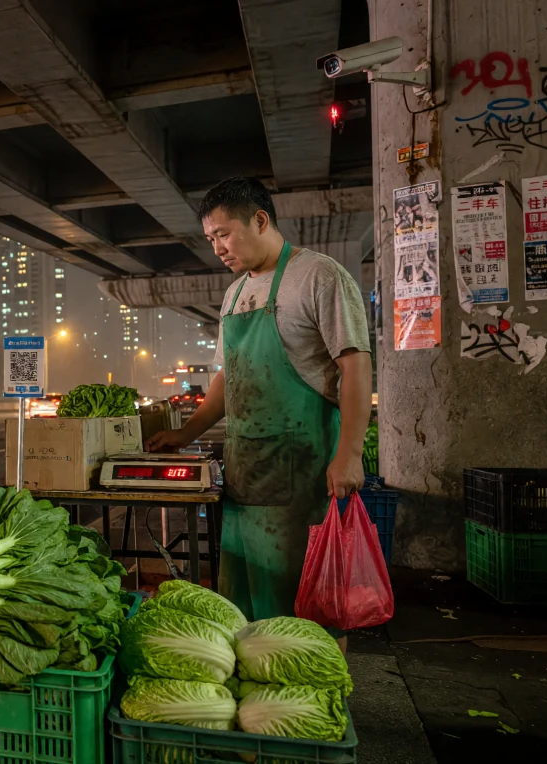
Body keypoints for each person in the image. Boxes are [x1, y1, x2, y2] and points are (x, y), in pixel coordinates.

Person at [146, 177, 371, 650]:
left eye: (224, 234)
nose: (218, 248)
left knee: (299, 604)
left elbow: (355, 365)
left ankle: (311, 699)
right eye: (210, 240)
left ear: (261, 220)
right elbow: (231, 376)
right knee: (243, 599)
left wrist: (349, 453)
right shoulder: (233, 296)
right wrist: (187, 432)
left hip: (302, 469)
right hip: (246, 469)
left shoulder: (318, 276)